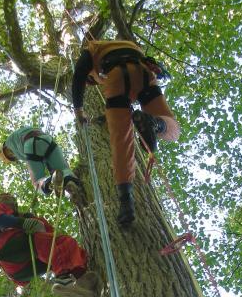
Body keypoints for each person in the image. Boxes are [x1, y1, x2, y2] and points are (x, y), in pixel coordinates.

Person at [72, 39, 180, 226]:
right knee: (173, 129)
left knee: (121, 141)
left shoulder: (92, 48)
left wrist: (79, 110)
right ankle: (154, 123)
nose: (94, 82)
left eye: (93, 80)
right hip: (144, 74)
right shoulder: (126, 44)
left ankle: (126, 202)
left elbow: (79, 74)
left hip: (116, 79)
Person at [0, 193, 98, 297]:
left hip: (22, 270)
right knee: (61, 243)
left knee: (68, 246)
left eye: (11, 198)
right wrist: (23, 223)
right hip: (9, 248)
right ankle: (64, 280)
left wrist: (33, 219)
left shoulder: (25, 216)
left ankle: (80, 279)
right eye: (3, 197)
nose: (8, 198)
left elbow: (51, 236)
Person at [0, 126, 84, 204]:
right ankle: (70, 181)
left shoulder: (10, 143)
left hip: (31, 144)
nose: (13, 156)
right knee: (64, 169)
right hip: (47, 140)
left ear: (5, 149)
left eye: (10, 155)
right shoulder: (18, 133)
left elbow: (30, 157)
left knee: (37, 183)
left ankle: (50, 183)